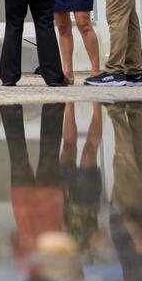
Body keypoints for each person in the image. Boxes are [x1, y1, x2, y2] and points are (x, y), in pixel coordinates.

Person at [1, 102, 67, 281]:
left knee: (49, 151)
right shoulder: (22, 265)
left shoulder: (58, 264)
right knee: (17, 152)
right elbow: (13, 239)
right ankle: (10, 109)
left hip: (51, 197)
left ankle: (54, 109)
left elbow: (63, 237)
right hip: (23, 201)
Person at [107, 102, 142, 281]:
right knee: (124, 162)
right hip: (130, 211)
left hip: (139, 211)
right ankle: (116, 111)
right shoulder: (139, 277)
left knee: (135, 157)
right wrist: (127, 221)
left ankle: (136, 110)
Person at [60, 102, 107, 258]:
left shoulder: (63, 257)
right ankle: (97, 105)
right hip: (88, 203)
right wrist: (95, 241)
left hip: (65, 202)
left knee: (67, 148)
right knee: (90, 151)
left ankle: (69, 104)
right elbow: (103, 235)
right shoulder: (91, 256)